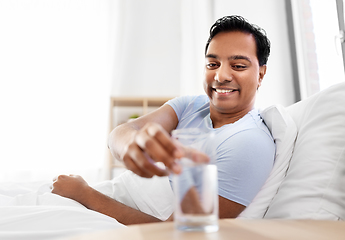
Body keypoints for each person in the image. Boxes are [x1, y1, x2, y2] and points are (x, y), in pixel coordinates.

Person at [52, 15, 275, 225]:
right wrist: (132, 143)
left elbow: (174, 233)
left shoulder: (249, 143)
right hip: (107, 198)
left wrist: (84, 194)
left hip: (110, 215)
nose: (221, 76)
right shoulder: (192, 105)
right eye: (212, 64)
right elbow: (121, 132)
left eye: (238, 66)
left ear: (261, 74)